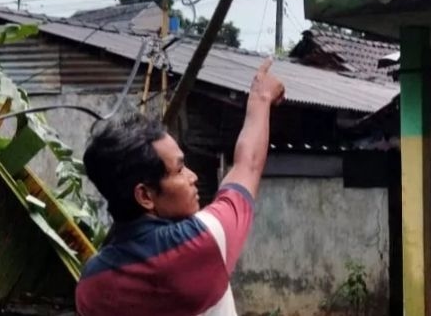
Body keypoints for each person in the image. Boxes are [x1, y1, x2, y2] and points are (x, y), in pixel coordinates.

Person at [75, 58, 285, 316]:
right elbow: (247, 166)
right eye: (179, 169)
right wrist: (261, 97)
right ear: (145, 195)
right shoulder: (201, 242)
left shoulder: (91, 285)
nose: (193, 176)